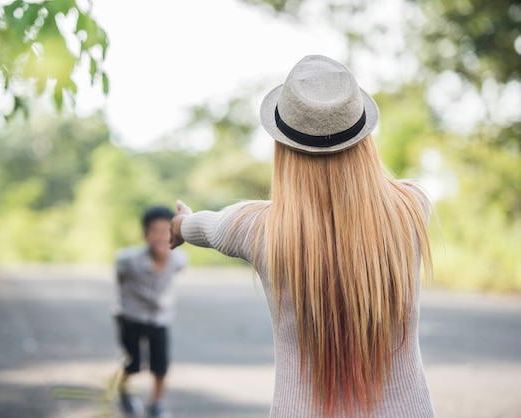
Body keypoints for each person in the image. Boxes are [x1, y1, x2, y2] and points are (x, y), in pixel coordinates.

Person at [170, 55, 436, 417]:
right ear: (364, 140)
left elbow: (202, 226)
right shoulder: (413, 205)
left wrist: (179, 226)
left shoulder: (258, 228)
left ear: (284, 148)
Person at [113, 205, 187, 418]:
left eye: (166, 231)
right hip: (131, 316)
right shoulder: (129, 260)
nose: (161, 237)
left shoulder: (178, 259)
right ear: (145, 234)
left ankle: (156, 403)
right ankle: (124, 391)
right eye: (154, 231)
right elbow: (120, 278)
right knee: (132, 362)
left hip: (159, 317)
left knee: (160, 364)